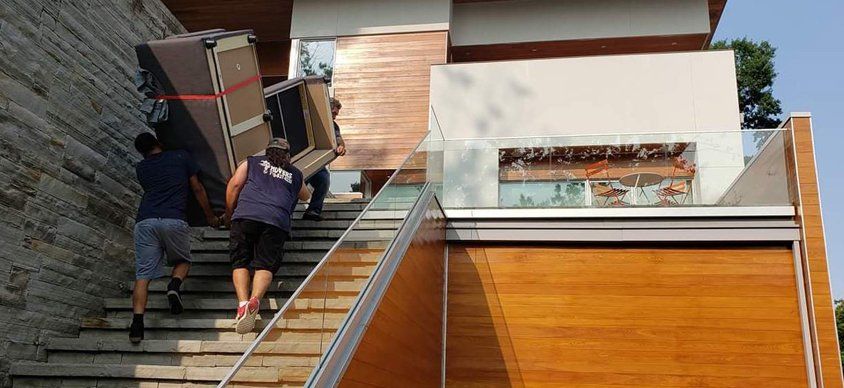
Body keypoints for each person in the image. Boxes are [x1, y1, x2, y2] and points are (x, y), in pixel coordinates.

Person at [130, 133, 219, 343]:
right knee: (182, 260)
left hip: (145, 221)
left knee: (143, 275)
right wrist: (210, 216)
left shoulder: (141, 168)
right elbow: (197, 188)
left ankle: (137, 324)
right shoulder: (181, 157)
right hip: (173, 218)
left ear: (141, 152)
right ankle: (174, 286)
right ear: (159, 142)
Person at [225, 138, 311, 334]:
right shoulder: (294, 173)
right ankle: (256, 299)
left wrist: (229, 214)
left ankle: (243, 303)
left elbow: (234, 185)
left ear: (267, 151)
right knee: (265, 264)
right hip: (276, 221)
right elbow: (305, 196)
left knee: (240, 261)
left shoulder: (251, 163)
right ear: (287, 154)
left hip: (246, 214)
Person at [302, 97, 346, 221]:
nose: (335, 116)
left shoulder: (334, 126)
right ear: (327, 109)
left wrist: (341, 146)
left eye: (336, 114)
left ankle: (313, 211)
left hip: (317, 164)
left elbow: (339, 139)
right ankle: (285, 218)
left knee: (323, 179)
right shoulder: (311, 119)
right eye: (334, 113)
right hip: (302, 162)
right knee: (296, 187)